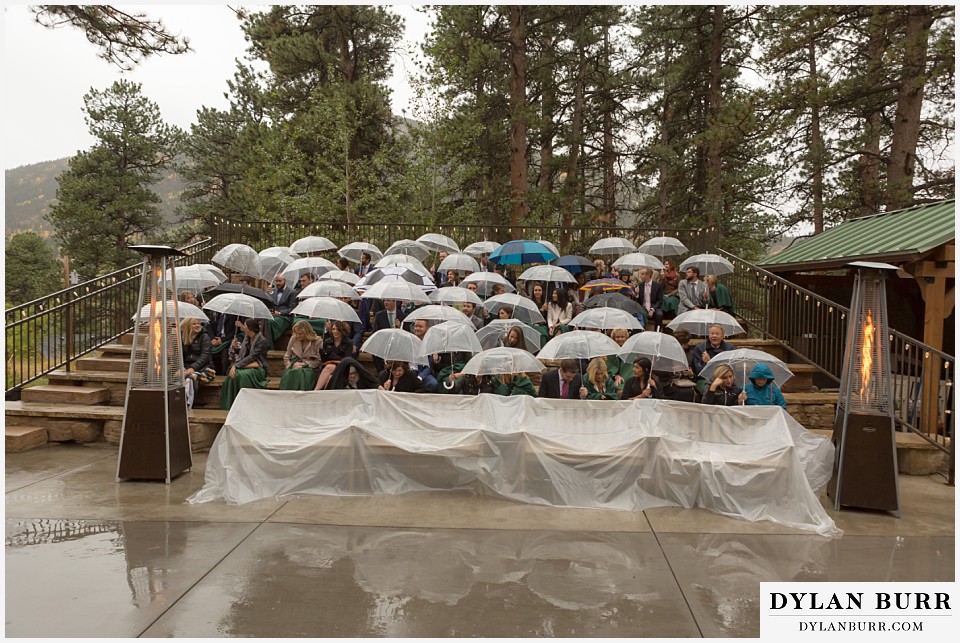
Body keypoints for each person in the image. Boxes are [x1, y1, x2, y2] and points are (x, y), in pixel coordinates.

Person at [220, 318, 269, 410]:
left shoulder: (262, 340)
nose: (244, 327)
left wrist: (236, 365)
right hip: (246, 364)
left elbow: (252, 356)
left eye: (245, 325)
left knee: (241, 376)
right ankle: (231, 403)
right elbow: (244, 353)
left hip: (258, 366)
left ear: (250, 328)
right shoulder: (247, 338)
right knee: (232, 376)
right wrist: (236, 348)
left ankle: (244, 405)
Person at [180, 317, 213, 410]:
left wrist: (192, 368)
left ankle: (187, 405)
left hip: (205, 369)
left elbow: (205, 356)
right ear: (188, 326)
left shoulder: (205, 337)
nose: (198, 325)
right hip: (186, 368)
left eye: (198, 323)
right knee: (176, 376)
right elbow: (179, 355)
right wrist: (181, 366)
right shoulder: (183, 338)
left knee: (190, 378)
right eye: (194, 324)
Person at [279, 320, 322, 391]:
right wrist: (290, 365)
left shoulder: (318, 341)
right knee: (291, 373)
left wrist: (304, 364)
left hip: (310, 366)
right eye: (296, 333)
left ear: (307, 333)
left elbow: (319, 360)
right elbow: (287, 356)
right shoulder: (293, 338)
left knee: (300, 373)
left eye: (300, 334)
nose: (297, 335)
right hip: (294, 364)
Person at [314, 320, 356, 390]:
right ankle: (321, 393)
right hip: (327, 366)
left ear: (343, 331)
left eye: (338, 329)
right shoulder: (328, 341)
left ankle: (316, 390)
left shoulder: (348, 342)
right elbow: (324, 359)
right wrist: (322, 352)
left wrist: (332, 361)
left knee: (329, 367)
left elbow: (347, 359)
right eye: (333, 329)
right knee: (330, 377)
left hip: (342, 367)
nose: (335, 331)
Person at [371, 299, 405, 372]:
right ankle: (382, 373)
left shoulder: (402, 316)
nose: (385, 302)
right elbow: (375, 332)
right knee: (375, 353)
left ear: (394, 301)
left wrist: (399, 327)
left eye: (388, 300)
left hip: (397, 344)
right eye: (384, 301)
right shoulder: (379, 315)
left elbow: (406, 333)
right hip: (383, 343)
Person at [267, 274, 297, 347]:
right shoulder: (272, 291)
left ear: (285, 281)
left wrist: (280, 313)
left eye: (280, 281)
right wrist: (267, 294)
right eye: (276, 281)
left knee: (271, 323)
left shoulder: (292, 292)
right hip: (272, 315)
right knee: (264, 321)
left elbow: (292, 309)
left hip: (285, 317)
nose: (277, 283)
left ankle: (269, 345)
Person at [409, 318, 439, 392]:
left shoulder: (431, 343)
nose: (417, 328)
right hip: (409, 371)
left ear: (427, 328)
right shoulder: (409, 340)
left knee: (433, 383)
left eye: (420, 326)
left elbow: (430, 366)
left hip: (422, 371)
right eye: (416, 326)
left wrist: (420, 377)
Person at [605, 328, 633, 394]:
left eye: (622, 337)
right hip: (612, 379)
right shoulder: (609, 352)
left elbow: (630, 371)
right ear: (614, 339)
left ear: (626, 338)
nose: (620, 339)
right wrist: (615, 376)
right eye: (617, 337)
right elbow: (608, 369)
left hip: (628, 379)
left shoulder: (631, 352)